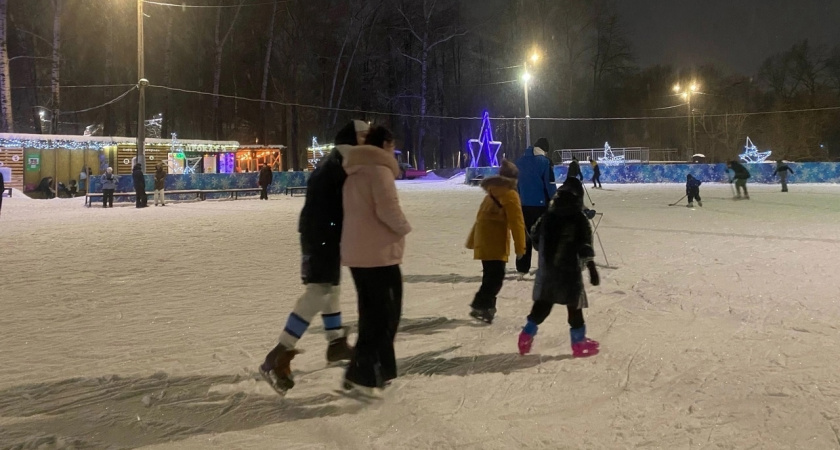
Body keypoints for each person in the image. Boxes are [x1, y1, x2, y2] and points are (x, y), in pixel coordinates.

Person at [259, 120, 370, 395]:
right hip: (322, 235)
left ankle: (335, 343)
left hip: (320, 234)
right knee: (319, 291)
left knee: (330, 288)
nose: (368, 141)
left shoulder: (336, 159)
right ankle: (278, 354)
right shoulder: (346, 160)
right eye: (364, 136)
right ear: (354, 138)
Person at [341, 125, 411, 395]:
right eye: (392, 146)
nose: (393, 151)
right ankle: (369, 372)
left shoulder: (354, 171)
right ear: (384, 144)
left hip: (358, 253)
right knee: (386, 314)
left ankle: (365, 370)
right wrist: (404, 227)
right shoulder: (379, 171)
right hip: (379, 254)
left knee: (371, 314)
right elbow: (387, 209)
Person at [518, 177, 600, 358]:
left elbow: (535, 235)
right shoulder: (579, 218)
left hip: (548, 271)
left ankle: (525, 335)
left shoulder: (548, 215)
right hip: (570, 272)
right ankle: (578, 343)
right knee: (574, 308)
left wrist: (545, 249)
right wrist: (592, 268)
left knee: (543, 305)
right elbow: (585, 245)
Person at [466, 159, 526, 324]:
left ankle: (487, 308)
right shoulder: (510, 195)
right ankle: (480, 304)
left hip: (484, 242)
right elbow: (517, 223)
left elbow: (480, 219)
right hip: (496, 243)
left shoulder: (492, 192)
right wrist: (520, 247)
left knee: (490, 276)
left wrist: (474, 241)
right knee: (496, 277)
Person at [514, 137, 556, 279]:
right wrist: (554, 199)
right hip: (540, 206)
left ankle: (522, 268)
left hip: (523, 205)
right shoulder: (545, 163)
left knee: (525, 238)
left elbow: (516, 185)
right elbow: (550, 185)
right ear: (545, 150)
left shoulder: (519, 162)